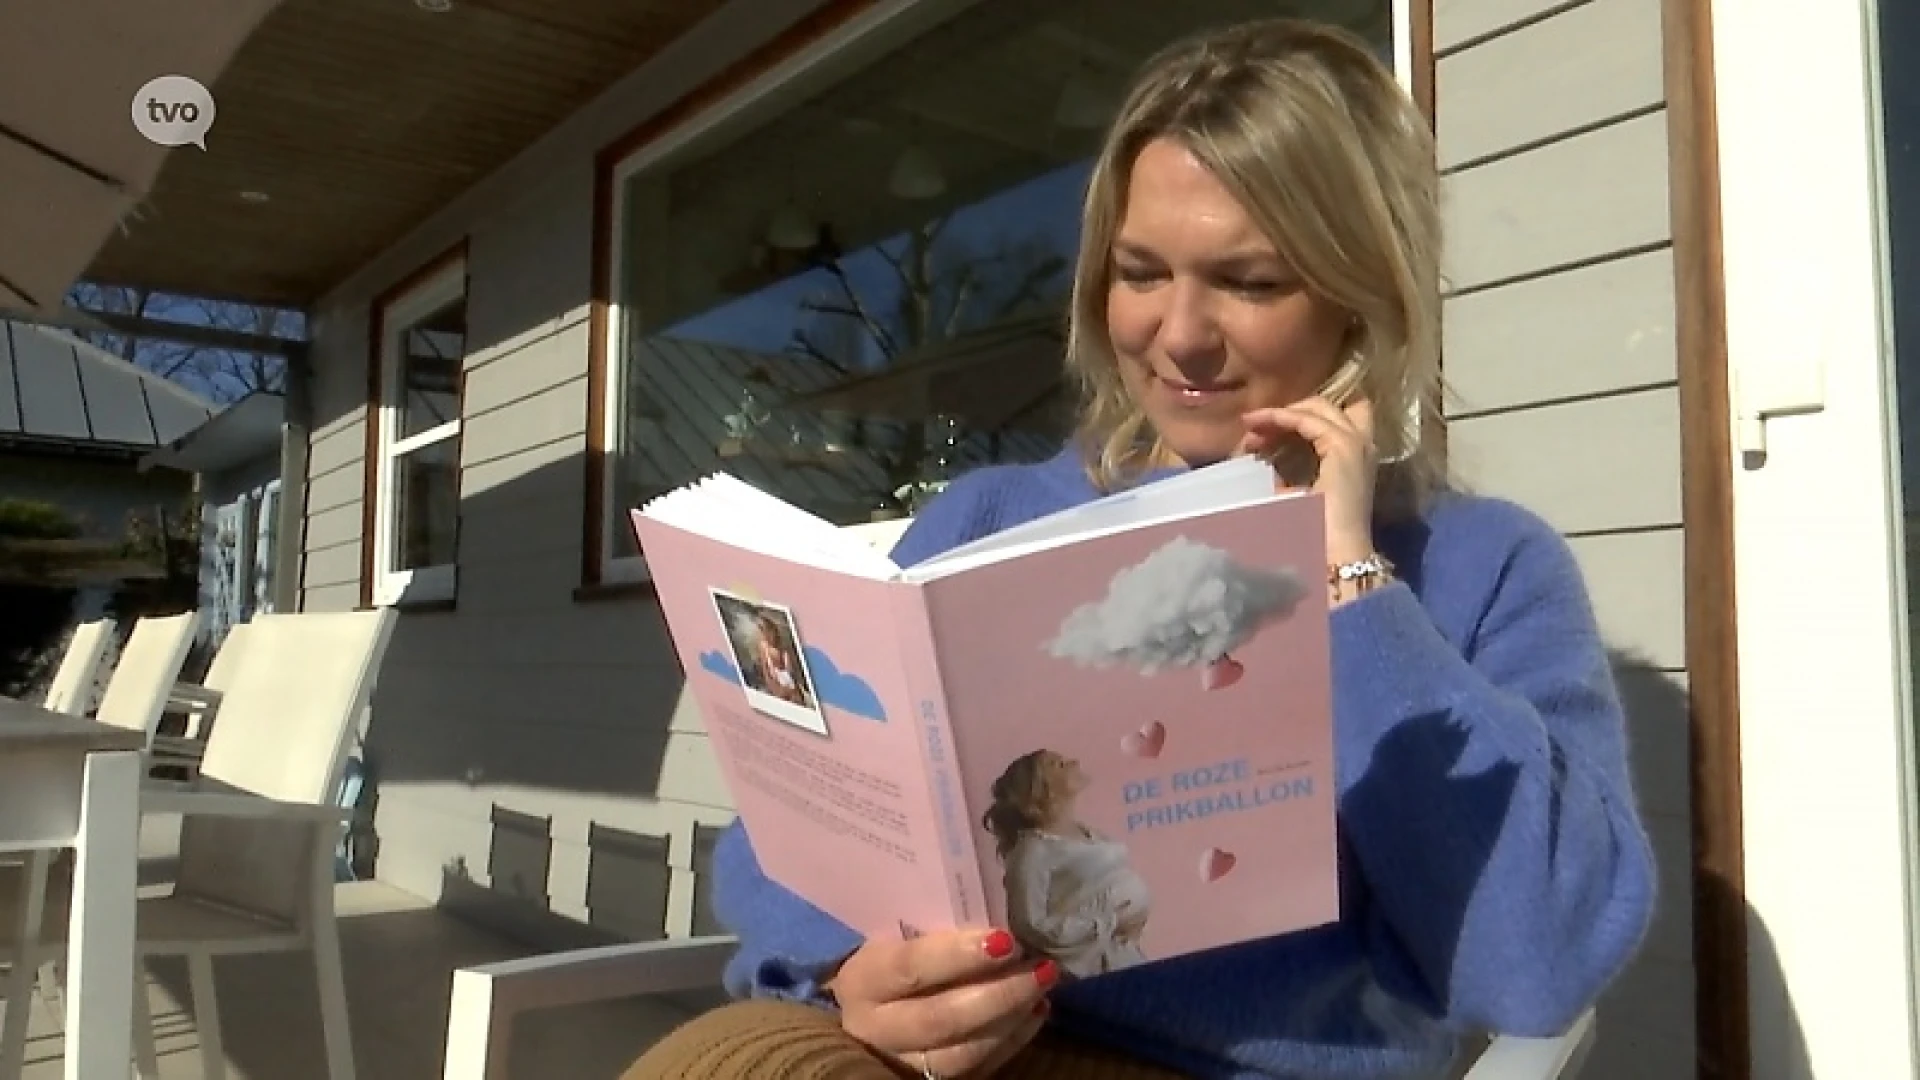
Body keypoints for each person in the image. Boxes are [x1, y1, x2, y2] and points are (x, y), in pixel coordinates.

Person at [623, 16, 1655, 1080]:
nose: (1182, 333)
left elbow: (1538, 959)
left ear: (1362, 293)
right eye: (1141, 271)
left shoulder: (1479, 569)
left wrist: (1347, 577)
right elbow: (785, 840)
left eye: (1251, 281)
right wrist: (843, 974)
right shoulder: (990, 519)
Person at [982, 750, 1152, 980]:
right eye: (1058, 764)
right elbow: (1029, 924)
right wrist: (1101, 924)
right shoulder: (1032, 852)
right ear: (1039, 787)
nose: (1074, 762)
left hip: (1119, 954)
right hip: (1086, 971)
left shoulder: (1088, 832)